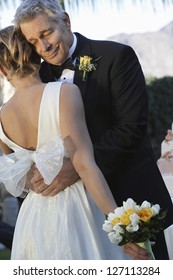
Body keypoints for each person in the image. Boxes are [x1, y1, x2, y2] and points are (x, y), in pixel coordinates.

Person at [13, 0, 173, 259]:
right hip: (74, 213)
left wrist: (75, 167)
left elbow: (131, 128)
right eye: (33, 42)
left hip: (130, 198)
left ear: (65, 21)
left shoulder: (116, 56)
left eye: (46, 34)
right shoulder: (37, 78)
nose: (43, 47)